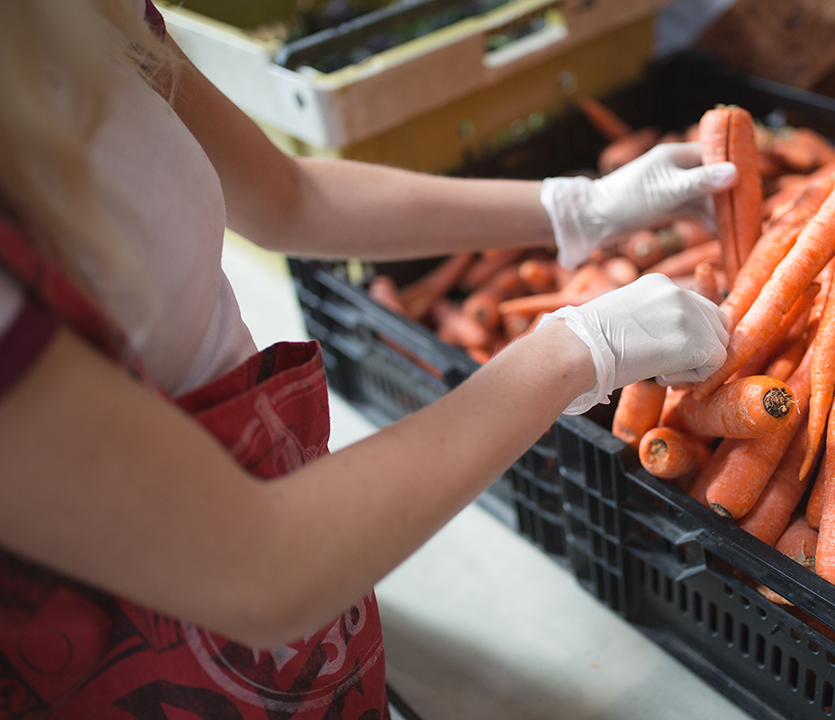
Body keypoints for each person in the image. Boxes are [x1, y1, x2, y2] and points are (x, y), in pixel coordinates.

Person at [0, 1, 734, 717]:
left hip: (301, 545)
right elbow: (259, 566)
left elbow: (290, 196)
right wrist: (572, 352)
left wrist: (575, 209)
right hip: (133, 648)